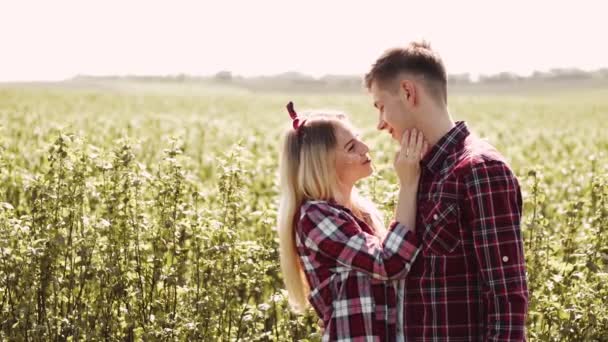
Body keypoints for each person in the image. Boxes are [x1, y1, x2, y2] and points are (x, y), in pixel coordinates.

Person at [365, 41, 529, 340]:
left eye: (381, 106)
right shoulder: (417, 171)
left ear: (407, 92)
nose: (379, 124)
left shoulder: (479, 170)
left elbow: (506, 296)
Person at [277, 101, 427, 340]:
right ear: (323, 163)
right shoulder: (314, 218)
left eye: (358, 139)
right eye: (351, 146)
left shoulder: (360, 212)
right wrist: (408, 184)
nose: (365, 147)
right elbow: (389, 263)